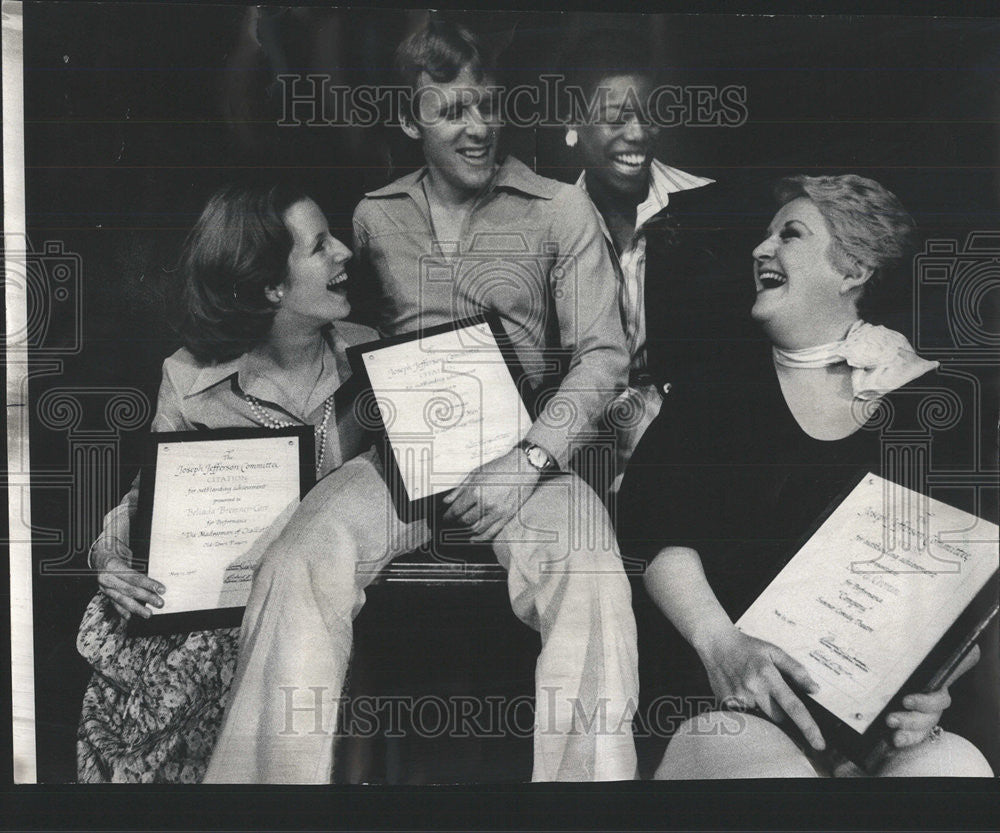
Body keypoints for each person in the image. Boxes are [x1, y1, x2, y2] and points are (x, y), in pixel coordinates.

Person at [204, 18, 639, 784]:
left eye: (485, 105)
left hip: (523, 460)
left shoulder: (559, 209)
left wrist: (529, 459)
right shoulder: (375, 216)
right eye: (450, 112)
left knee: (593, 567)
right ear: (410, 120)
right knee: (297, 558)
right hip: (400, 460)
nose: (476, 128)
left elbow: (604, 354)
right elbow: (348, 332)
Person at [617, 173, 995, 778]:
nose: (760, 250)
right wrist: (722, 646)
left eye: (788, 235)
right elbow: (657, 528)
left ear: (853, 272)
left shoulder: (939, 404)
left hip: (879, 727)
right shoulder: (718, 384)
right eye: (766, 237)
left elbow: (967, 591)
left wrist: (935, 690)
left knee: (957, 771)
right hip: (736, 705)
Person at [76, 182, 378, 782]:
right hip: (214, 611)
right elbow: (148, 500)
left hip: (335, 608)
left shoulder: (373, 356)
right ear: (272, 287)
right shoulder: (188, 379)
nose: (345, 252)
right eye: (320, 247)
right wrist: (108, 556)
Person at [560, 30, 767, 487]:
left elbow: (735, 349)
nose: (636, 135)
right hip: (577, 422)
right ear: (574, 122)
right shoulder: (548, 218)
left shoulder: (710, 205)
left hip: (684, 424)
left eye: (648, 117)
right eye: (615, 119)